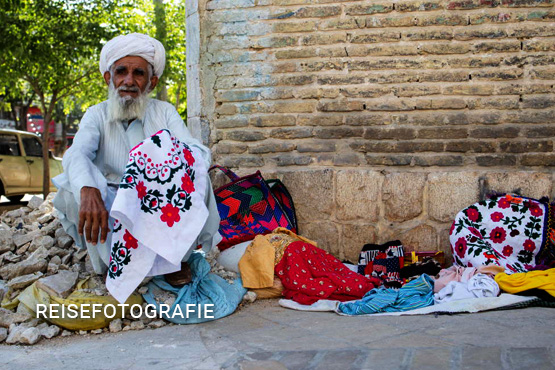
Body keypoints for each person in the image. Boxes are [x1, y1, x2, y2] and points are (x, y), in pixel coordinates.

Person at [53, 33, 221, 276]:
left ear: (151, 82)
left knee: (197, 175)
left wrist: (170, 173)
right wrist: (87, 188)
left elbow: (194, 150)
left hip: (159, 198)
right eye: (121, 72)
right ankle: (113, 266)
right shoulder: (96, 114)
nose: (128, 81)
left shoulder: (164, 112)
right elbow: (77, 153)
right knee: (71, 188)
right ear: (108, 78)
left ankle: (174, 262)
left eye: (138, 74)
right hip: (111, 198)